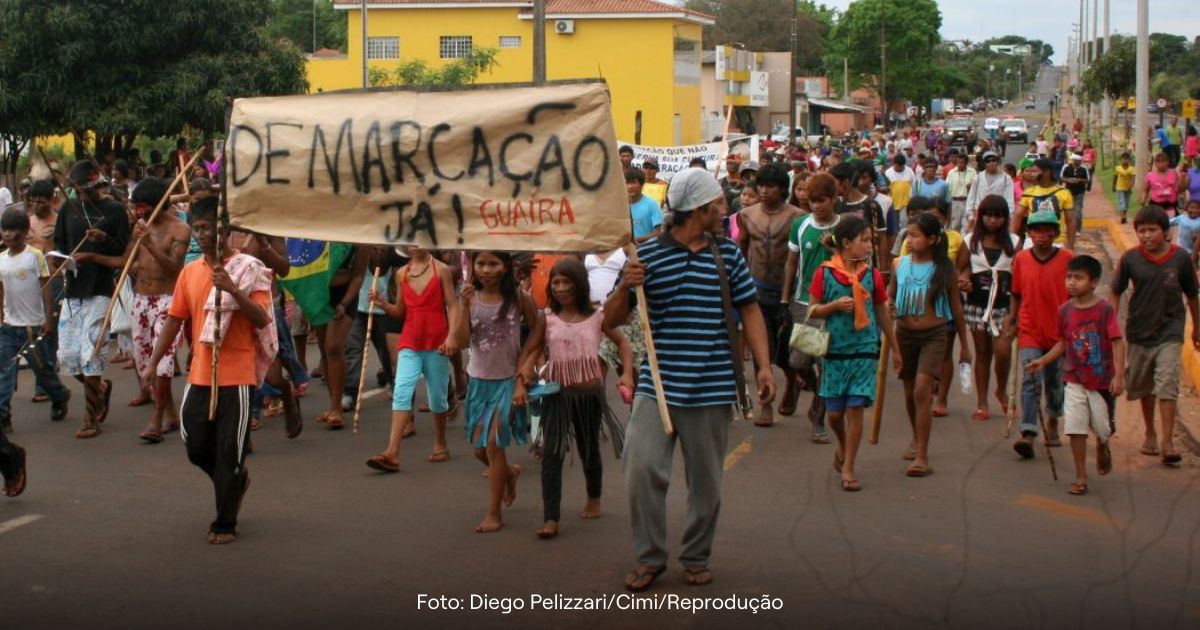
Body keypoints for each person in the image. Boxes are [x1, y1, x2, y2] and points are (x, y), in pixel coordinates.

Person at [606, 167, 776, 592]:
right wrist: (625, 287)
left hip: (713, 386)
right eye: (717, 204)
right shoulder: (643, 256)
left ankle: (696, 556)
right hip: (658, 386)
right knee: (640, 470)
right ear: (699, 211)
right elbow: (610, 319)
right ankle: (650, 558)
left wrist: (764, 366)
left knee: (706, 484)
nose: (724, 210)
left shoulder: (728, 254)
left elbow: (750, 309)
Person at [142, 197, 274, 545]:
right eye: (198, 228)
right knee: (196, 446)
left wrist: (233, 290)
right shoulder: (191, 272)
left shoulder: (250, 268)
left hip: (237, 374)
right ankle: (233, 479)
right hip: (201, 372)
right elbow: (175, 319)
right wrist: (153, 363)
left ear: (226, 230)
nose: (202, 234)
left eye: (209, 227)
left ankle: (224, 521)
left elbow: (261, 318)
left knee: (230, 450)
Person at [522, 258, 631, 539]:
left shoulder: (597, 315)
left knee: (588, 448)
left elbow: (622, 343)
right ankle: (551, 518)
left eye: (567, 282)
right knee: (552, 454)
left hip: (589, 395)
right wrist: (523, 375)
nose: (560, 288)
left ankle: (594, 498)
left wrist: (627, 373)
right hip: (558, 393)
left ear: (580, 284)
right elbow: (531, 349)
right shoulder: (546, 317)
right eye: (556, 282)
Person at [807, 216, 899, 491]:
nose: (870, 246)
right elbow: (813, 310)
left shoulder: (871, 276)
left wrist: (895, 349)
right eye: (865, 240)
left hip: (865, 349)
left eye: (871, 240)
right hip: (834, 351)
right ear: (846, 244)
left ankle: (848, 466)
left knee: (855, 407)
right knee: (835, 415)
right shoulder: (824, 273)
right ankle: (844, 446)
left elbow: (881, 311)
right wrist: (834, 305)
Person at [455, 251, 540, 533]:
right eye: (481, 263)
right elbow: (461, 341)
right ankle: (508, 473)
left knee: (493, 446)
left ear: (505, 267)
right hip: (478, 381)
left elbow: (539, 329)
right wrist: (463, 306)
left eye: (493, 263)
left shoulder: (518, 297)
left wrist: (525, 365)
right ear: (473, 266)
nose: (486, 269)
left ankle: (493, 513)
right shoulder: (468, 298)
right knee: (480, 449)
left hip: (506, 381)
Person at [1026, 255, 1123, 496]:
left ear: (1093, 282)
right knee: (1075, 427)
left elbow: (1118, 342)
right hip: (1074, 378)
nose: (1071, 282)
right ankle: (1081, 475)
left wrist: (1118, 375)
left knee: (1102, 428)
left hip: (1100, 381)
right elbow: (1063, 343)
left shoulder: (1104, 310)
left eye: (1078, 278)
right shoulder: (1065, 311)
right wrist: (1042, 361)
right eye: (1068, 277)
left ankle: (1102, 444)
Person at [1112, 205, 1200, 466]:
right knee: (1144, 384)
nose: (1147, 236)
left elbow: (1192, 295)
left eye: (1152, 230)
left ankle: (1168, 442)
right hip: (1139, 329)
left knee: (1167, 383)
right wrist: (1111, 323)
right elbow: (1116, 290)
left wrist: (1197, 327)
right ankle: (1150, 431)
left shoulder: (1180, 259)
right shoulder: (1130, 259)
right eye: (1141, 231)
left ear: (1165, 232)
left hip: (1170, 329)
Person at [365, 246, 460, 472]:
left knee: (437, 397)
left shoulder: (442, 270)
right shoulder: (401, 273)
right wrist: (382, 303)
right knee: (402, 391)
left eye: (420, 240)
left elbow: (453, 306)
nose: (416, 246)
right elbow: (401, 311)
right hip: (410, 340)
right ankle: (392, 452)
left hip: (436, 341)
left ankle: (440, 442)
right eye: (412, 241)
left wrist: (452, 336)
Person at [53, 160, 130, 439]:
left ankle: (90, 418)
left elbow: (124, 251)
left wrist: (103, 240)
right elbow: (59, 245)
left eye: (87, 189)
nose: (83, 194)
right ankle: (100, 389)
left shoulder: (114, 210)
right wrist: (59, 262)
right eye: (77, 189)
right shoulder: (67, 210)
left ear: (98, 185)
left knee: (92, 354)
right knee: (68, 357)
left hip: (100, 290)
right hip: (73, 292)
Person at [110, 178, 190, 442]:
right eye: (136, 207)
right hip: (141, 300)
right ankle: (170, 414)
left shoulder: (180, 229)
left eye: (143, 207)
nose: (139, 212)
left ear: (159, 205)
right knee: (145, 363)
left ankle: (155, 420)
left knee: (163, 362)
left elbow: (174, 268)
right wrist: (134, 243)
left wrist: (149, 245)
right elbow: (127, 262)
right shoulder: (139, 228)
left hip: (168, 301)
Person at [890, 212, 970, 477]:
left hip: (934, 335)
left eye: (915, 235)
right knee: (909, 391)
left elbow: (957, 309)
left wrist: (966, 348)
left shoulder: (944, 268)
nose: (909, 240)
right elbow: (888, 298)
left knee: (923, 389)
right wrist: (889, 307)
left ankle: (922, 455)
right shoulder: (898, 265)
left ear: (933, 239)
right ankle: (915, 437)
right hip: (904, 334)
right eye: (908, 235)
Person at [737, 163, 805, 426]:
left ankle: (791, 381)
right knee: (759, 350)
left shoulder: (797, 216)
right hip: (756, 289)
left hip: (787, 291)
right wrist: (737, 283)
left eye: (770, 186)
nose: (764, 191)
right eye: (761, 186)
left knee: (788, 353)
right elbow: (741, 247)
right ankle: (766, 405)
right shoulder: (747, 214)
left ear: (783, 189)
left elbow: (800, 255)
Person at [1007, 209, 1073, 459]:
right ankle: (1029, 431)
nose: (1041, 236)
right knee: (1031, 379)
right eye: (1036, 230)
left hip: (1059, 333)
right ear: (1028, 233)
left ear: (1055, 232)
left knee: (1057, 383)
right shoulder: (1022, 259)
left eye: (1047, 230)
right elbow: (1016, 294)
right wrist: (1012, 321)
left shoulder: (1068, 258)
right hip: (1030, 329)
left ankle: (1054, 418)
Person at [0, 207, 71, 433]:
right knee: (5, 372)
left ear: (24, 231)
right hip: (10, 326)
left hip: (33, 325)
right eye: (5, 230)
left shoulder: (34, 256)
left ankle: (59, 395)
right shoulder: (1, 259)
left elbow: (46, 287)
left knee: (43, 369)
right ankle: (3, 415)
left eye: (14, 230)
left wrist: (48, 318)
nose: (9, 235)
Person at [783, 173, 840, 443]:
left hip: (833, 307)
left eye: (822, 201)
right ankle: (814, 391)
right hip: (804, 304)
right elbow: (791, 263)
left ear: (833, 200)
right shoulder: (800, 225)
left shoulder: (846, 227)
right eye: (813, 201)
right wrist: (786, 299)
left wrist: (835, 248)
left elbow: (862, 259)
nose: (817, 206)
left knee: (825, 364)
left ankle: (818, 418)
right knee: (798, 361)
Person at [960, 196, 1023, 421]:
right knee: (983, 353)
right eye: (988, 215)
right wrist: (965, 279)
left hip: (1004, 307)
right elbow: (962, 268)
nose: (992, 220)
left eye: (998, 216)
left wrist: (1017, 314)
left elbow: (1020, 275)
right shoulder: (970, 241)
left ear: (1005, 218)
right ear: (981, 216)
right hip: (977, 305)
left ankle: (1001, 388)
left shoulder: (1015, 242)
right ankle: (982, 402)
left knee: (1003, 351)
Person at [1015, 158, 1074, 248]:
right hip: (1032, 241)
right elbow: (1017, 216)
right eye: (1031, 171)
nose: (1032, 175)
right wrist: (1012, 240)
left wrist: (1070, 244)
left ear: (1047, 172)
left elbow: (1070, 221)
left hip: (1057, 241)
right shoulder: (1029, 192)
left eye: (1035, 171)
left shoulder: (1064, 193)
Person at [964, 152, 1014, 233]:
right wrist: (970, 217)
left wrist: (1009, 217)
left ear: (998, 162)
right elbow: (971, 198)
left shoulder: (1006, 179)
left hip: (999, 215)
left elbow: (1009, 200)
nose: (991, 163)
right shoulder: (978, 177)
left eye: (994, 160)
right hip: (980, 215)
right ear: (984, 163)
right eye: (988, 161)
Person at [625, 167, 663, 243]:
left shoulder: (652, 205)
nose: (629, 186)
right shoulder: (620, 205)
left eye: (633, 182)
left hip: (645, 251)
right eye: (627, 183)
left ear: (642, 184)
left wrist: (637, 240)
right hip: (622, 251)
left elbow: (658, 233)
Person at [1141, 152, 1182, 218]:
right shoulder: (1150, 175)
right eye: (1159, 162)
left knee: (1171, 225)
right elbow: (1145, 190)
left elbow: (1180, 188)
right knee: (1157, 225)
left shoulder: (1174, 173)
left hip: (1171, 206)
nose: (1161, 164)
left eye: (1163, 161)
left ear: (1168, 162)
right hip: (1156, 206)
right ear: (1155, 163)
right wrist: (1143, 201)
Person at [1059, 154, 1091, 236]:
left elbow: (1087, 180)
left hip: (1080, 192)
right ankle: (1069, 228)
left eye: (1079, 160)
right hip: (1068, 193)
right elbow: (1061, 177)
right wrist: (1068, 180)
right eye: (1076, 160)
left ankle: (1077, 229)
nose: (1078, 162)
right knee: (1068, 211)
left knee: (1078, 211)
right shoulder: (1066, 167)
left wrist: (1080, 180)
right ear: (1073, 160)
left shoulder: (1084, 168)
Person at [945, 152, 977, 232]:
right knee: (955, 225)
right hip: (955, 201)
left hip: (967, 201)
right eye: (958, 162)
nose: (960, 164)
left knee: (967, 225)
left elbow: (976, 187)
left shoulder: (972, 172)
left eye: (962, 163)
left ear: (966, 163)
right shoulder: (951, 172)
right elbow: (948, 188)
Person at [1112, 152, 1136, 224]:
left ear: (1129, 160)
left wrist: (1131, 186)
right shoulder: (1118, 168)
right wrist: (1113, 186)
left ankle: (1124, 216)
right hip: (1119, 187)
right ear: (1121, 159)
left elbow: (1133, 178)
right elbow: (1115, 177)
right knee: (1122, 202)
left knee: (1126, 203)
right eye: (1124, 159)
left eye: (1127, 159)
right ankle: (1122, 217)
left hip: (1128, 188)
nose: (1125, 160)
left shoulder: (1132, 169)